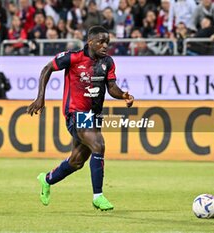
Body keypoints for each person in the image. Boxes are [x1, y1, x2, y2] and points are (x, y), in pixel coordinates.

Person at [26, 26, 134, 211]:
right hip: (76, 113)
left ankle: (46, 179)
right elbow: (46, 69)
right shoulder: (73, 57)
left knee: (77, 161)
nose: (105, 45)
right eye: (101, 41)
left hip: (94, 115)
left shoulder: (107, 62)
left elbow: (112, 86)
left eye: (107, 42)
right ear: (90, 42)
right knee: (98, 144)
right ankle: (98, 196)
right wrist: (40, 97)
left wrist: (123, 95)